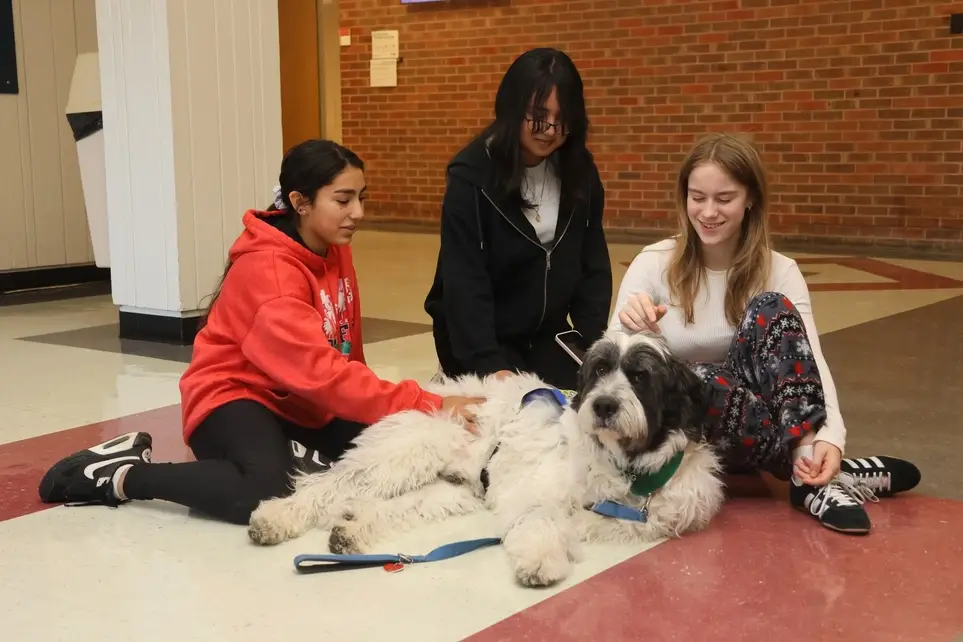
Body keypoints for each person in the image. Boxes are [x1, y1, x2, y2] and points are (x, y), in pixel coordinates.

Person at [38, 139, 482, 525]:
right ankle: (121, 474)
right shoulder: (269, 273)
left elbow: (344, 349)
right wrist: (427, 400)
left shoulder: (330, 245)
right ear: (301, 202)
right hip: (234, 396)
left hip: (300, 396)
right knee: (263, 492)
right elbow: (323, 374)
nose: (357, 213)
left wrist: (388, 412)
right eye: (343, 200)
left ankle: (294, 450)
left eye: (361, 198)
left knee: (393, 446)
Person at [612, 133, 920, 535]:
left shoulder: (780, 269)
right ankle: (810, 473)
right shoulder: (653, 263)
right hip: (682, 438)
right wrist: (631, 331)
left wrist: (831, 437)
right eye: (697, 197)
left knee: (771, 307)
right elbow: (613, 376)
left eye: (724, 198)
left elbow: (809, 362)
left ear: (750, 198)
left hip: (755, 429)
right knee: (697, 377)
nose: (708, 211)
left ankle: (809, 463)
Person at [424, 47, 612, 391]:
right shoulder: (472, 177)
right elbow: (464, 282)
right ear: (511, 109)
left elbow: (593, 264)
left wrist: (595, 344)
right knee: (521, 416)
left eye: (563, 118)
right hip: (483, 341)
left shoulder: (579, 171)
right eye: (538, 116)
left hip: (547, 337)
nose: (550, 130)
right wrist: (488, 363)